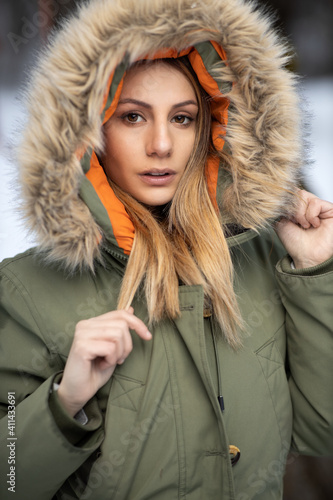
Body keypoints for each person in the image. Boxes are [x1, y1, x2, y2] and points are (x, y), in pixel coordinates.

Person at [0, 0, 332, 498]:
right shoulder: (26, 289)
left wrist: (316, 274)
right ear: (88, 132)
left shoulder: (262, 260)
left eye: (182, 118)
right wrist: (63, 404)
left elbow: (322, 428)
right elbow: (8, 475)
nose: (161, 144)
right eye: (132, 117)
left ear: (212, 128)